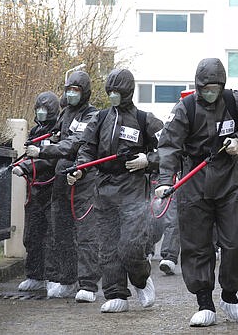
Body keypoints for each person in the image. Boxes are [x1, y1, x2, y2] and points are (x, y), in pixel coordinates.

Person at [155, 58, 238, 327]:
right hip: (194, 181)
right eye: (206, 87)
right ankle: (204, 302)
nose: (211, 92)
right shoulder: (184, 108)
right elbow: (169, 145)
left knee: (236, 241)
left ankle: (230, 296)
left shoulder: (236, 101)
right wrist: (164, 179)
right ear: (198, 85)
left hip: (229, 179)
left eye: (216, 87)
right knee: (197, 244)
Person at [69, 68, 163, 313]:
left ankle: (142, 280)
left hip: (132, 190)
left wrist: (148, 160)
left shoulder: (145, 119)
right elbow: (87, 149)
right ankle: (116, 293)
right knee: (108, 247)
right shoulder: (100, 118)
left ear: (128, 92)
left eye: (117, 92)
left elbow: (167, 148)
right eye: (109, 92)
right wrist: (80, 169)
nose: (113, 96)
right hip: (104, 189)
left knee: (130, 246)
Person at [25, 71, 101, 302]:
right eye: (68, 89)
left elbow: (76, 143)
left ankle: (88, 284)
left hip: (84, 181)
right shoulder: (65, 114)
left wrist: (44, 150)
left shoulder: (92, 115)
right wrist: (31, 163)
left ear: (84, 92)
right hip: (61, 182)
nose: (71, 94)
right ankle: (68, 280)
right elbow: (58, 138)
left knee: (86, 235)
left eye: (76, 90)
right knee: (61, 232)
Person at [12, 91, 59, 291]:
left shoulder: (58, 133)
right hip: (35, 191)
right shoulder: (34, 132)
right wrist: (22, 164)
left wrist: (26, 168)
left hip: (52, 190)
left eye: (45, 109)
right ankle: (34, 275)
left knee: (52, 236)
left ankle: (53, 277)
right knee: (32, 234)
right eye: (38, 109)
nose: (41, 112)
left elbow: (50, 160)